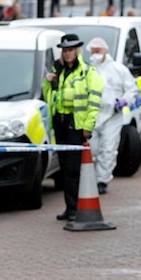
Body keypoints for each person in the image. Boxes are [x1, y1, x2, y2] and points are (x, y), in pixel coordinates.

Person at [43, 34, 104, 222]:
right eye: (64, 50)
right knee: (64, 169)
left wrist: (87, 127)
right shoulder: (58, 70)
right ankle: (70, 207)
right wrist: (48, 82)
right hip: (60, 124)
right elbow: (49, 97)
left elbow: (94, 102)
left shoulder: (87, 72)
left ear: (77, 51)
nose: (67, 53)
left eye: (70, 50)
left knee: (73, 169)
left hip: (75, 126)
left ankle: (75, 208)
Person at [86, 37, 138, 194]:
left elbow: (132, 89)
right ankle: (91, 180)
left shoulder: (118, 69)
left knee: (108, 149)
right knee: (93, 149)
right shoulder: (88, 70)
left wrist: (124, 101)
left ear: (105, 51)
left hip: (112, 116)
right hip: (93, 115)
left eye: (98, 51)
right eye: (93, 51)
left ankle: (102, 180)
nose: (95, 54)